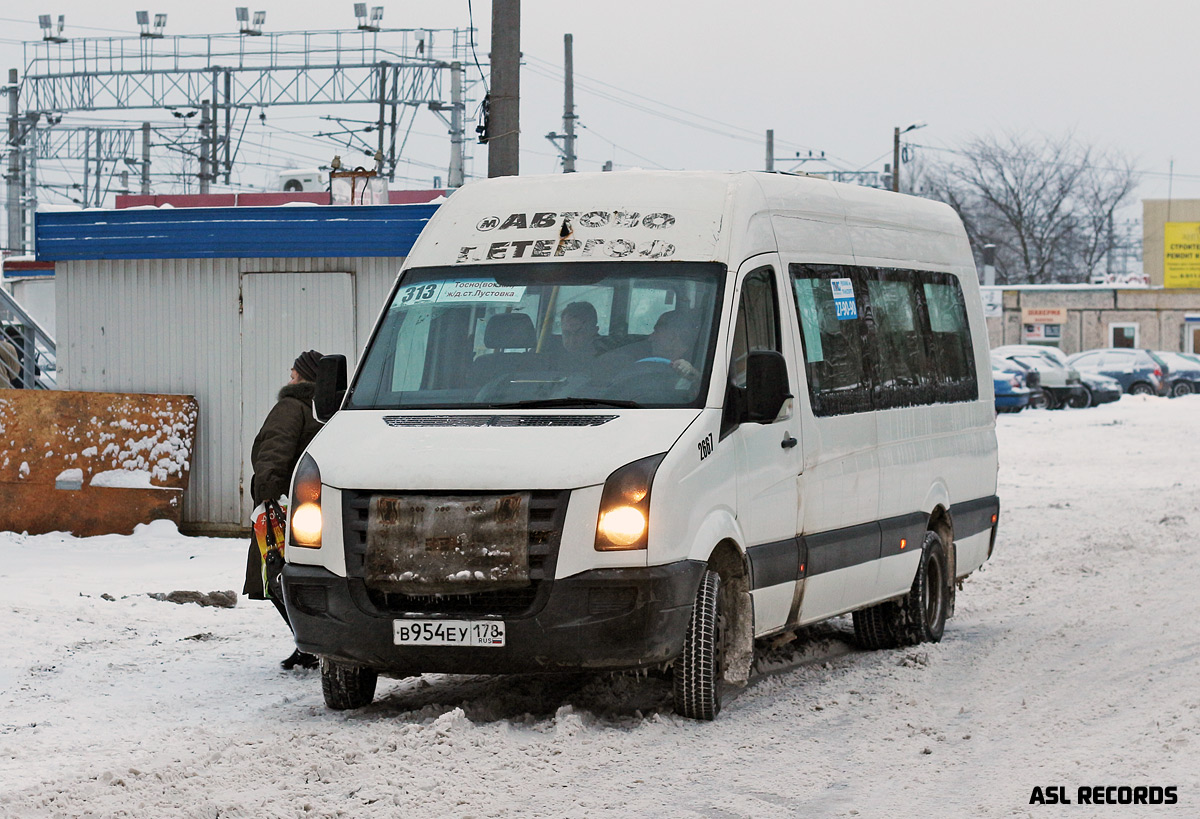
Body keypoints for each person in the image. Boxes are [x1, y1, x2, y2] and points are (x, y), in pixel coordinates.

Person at [243, 350, 325, 670]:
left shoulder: (291, 407)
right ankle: (310, 644)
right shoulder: (326, 413)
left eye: (293, 374)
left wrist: (266, 495)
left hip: (281, 506)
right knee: (294, 576)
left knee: (276, 576)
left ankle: (309, 644)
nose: (288, 379)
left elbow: (274, 451)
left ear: (304, 378)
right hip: (311, 505)